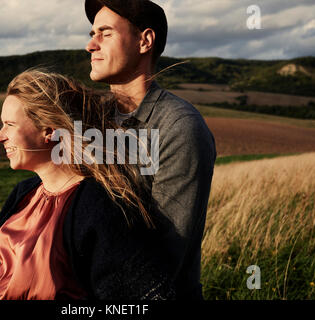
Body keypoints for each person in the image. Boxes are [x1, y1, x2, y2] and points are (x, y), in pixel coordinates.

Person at [0, 69, 184, 300]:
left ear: (49, 131)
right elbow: (0, 275)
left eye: (10, 125)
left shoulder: (98, 206)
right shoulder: (24, 193)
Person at [84, 0, 217, 299]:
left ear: (144, 41)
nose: (90, 45)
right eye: (92, 33)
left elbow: (167, 251)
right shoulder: (89, 120)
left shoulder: (179, 127)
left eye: (105, 33)